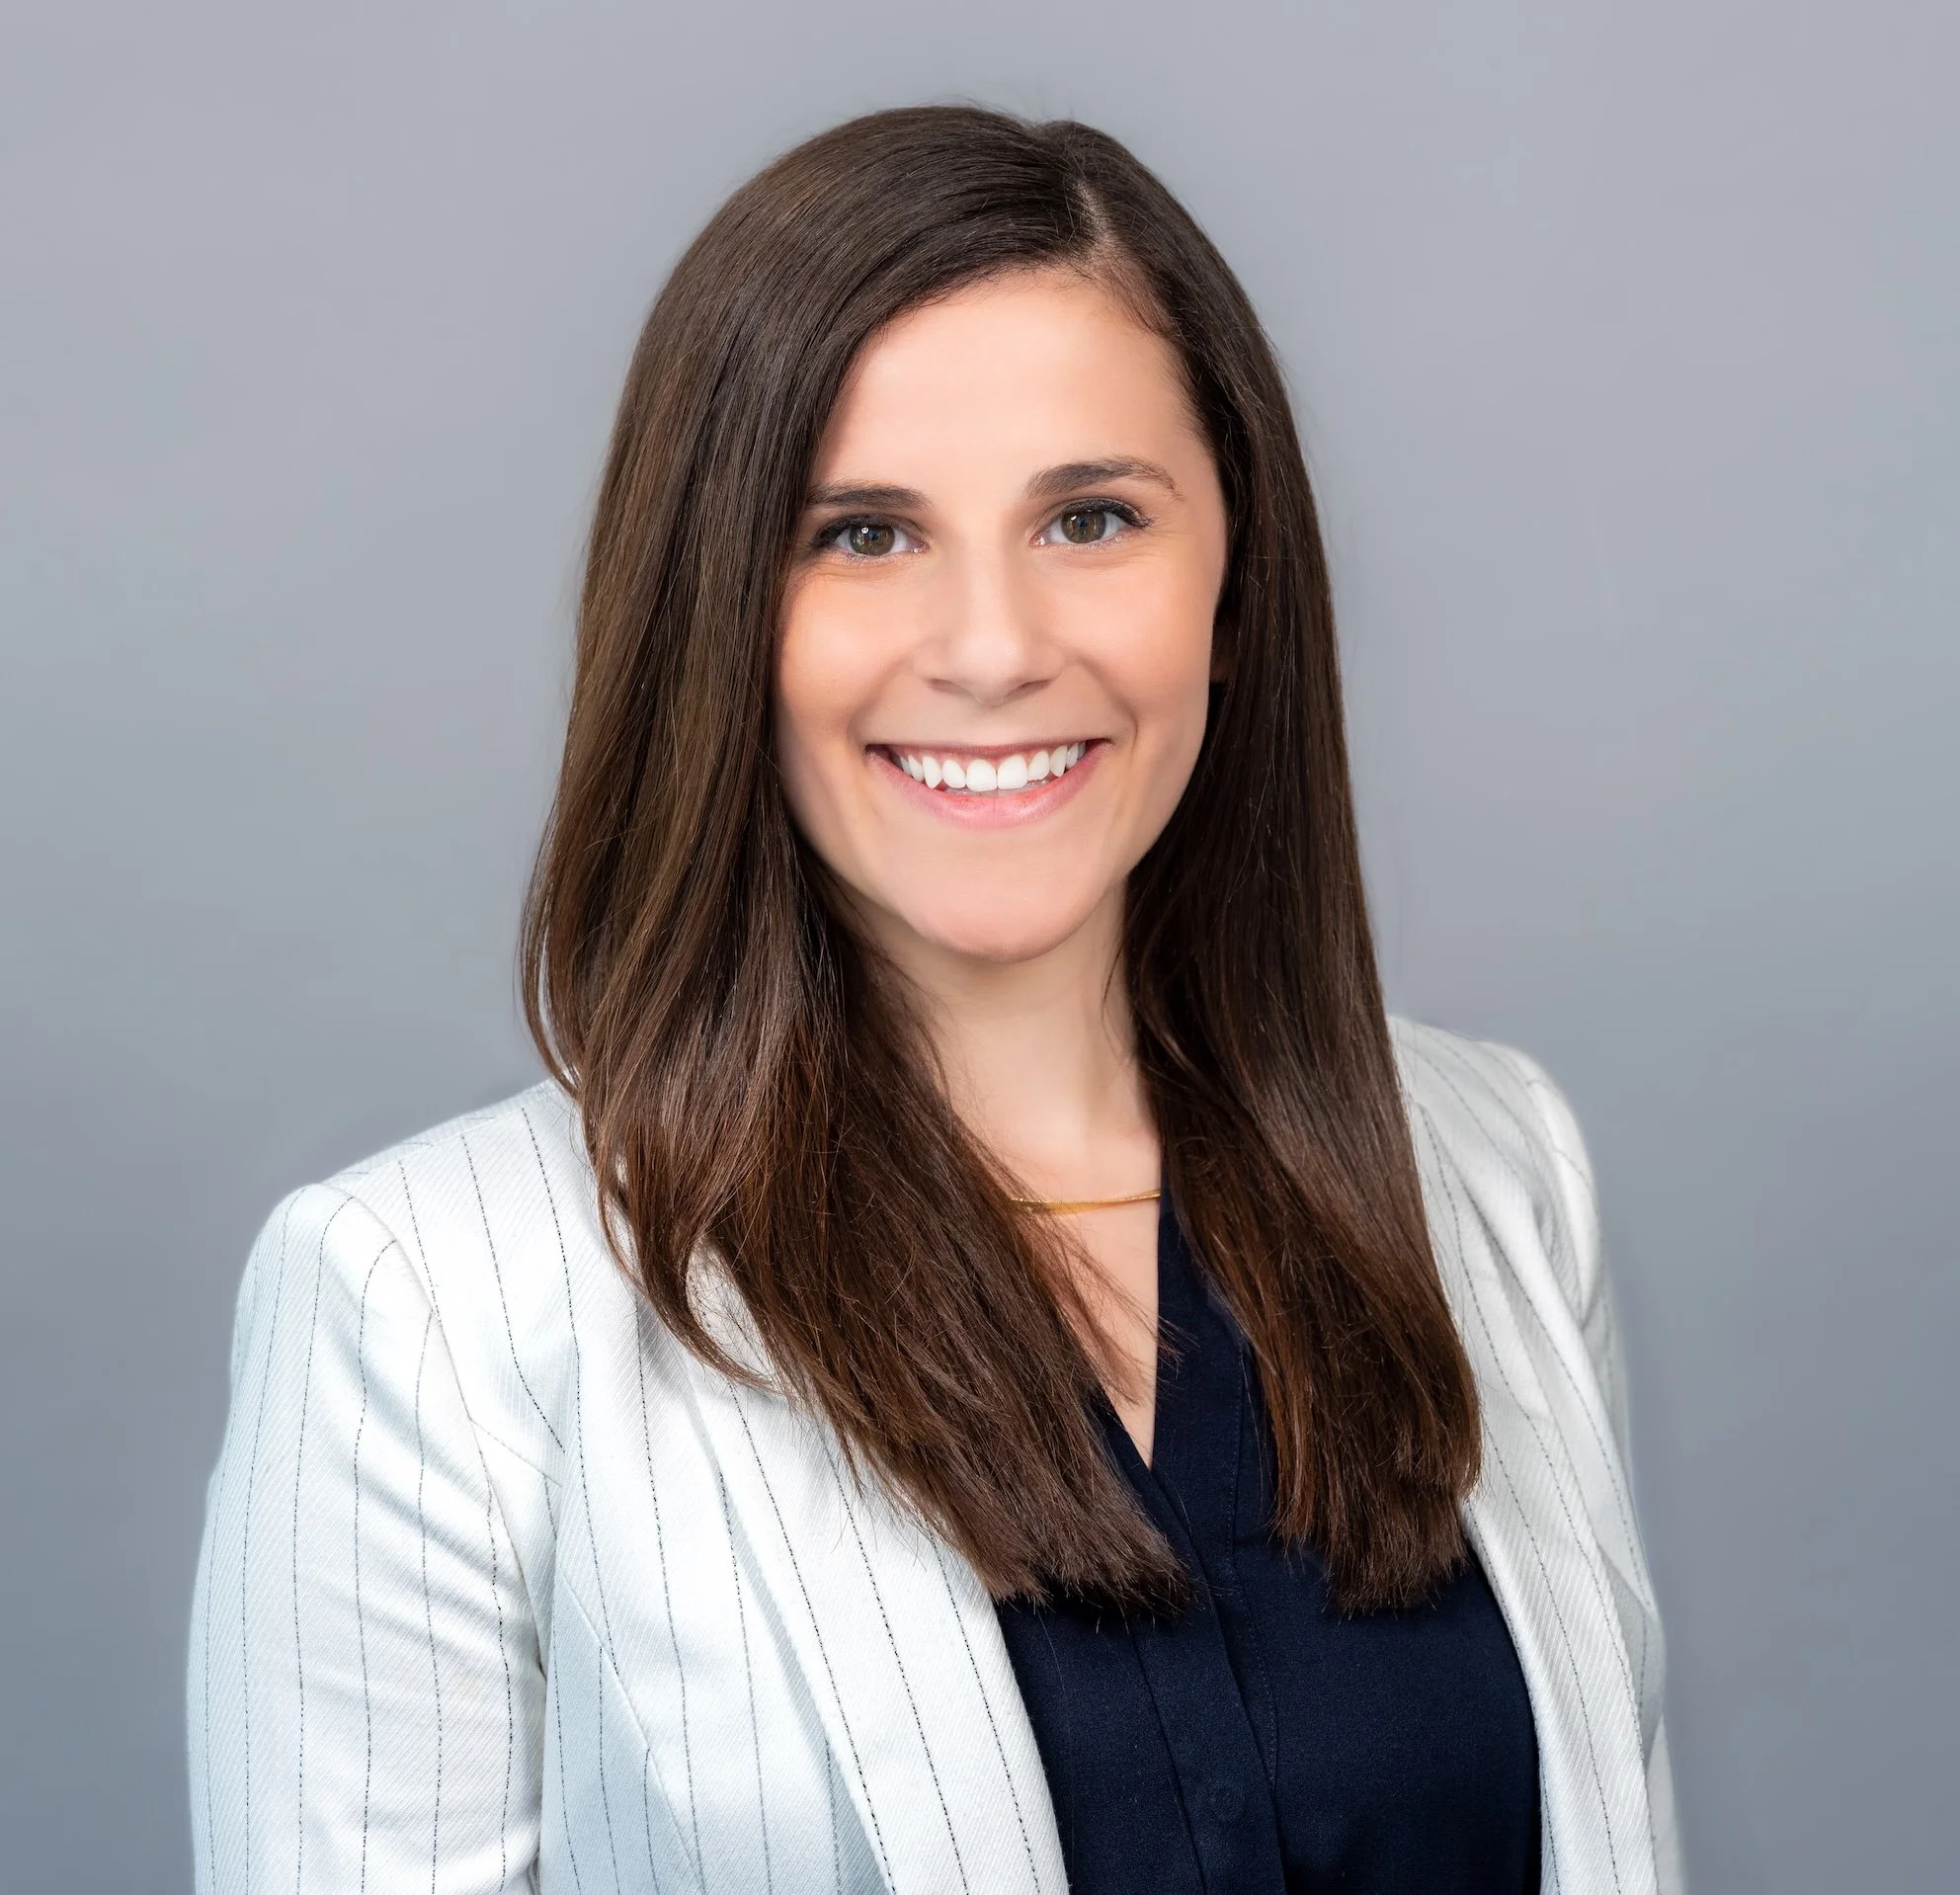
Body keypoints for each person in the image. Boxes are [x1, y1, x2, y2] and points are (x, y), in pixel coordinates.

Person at [188, 105, 1680, 1894]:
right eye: (864, 534)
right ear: (718, 610)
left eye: (1093, 517)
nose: (990, 645)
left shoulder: (1502, 1175)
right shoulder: (422, 1308)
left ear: (1234, 586)